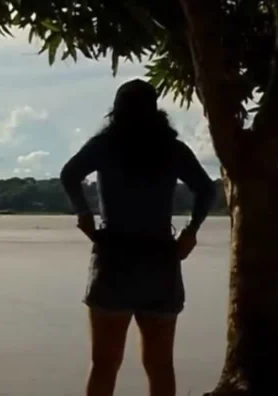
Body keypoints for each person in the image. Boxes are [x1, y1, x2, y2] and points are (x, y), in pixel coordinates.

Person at [59, 79, 215, 396]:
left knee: (104, 364)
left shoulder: (105, 145)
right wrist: (191, 231)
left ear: (115, 112)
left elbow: (69, 174)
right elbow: (206, 188)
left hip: (114, 257)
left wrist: (84, 214)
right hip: (159, 259)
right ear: (155, 110)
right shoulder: (170, 149)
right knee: (160, 365)